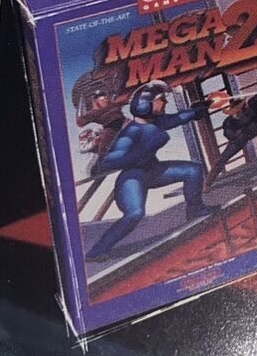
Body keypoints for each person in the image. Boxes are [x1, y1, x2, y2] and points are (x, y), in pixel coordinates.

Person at [85, 81, 212, 261]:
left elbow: (179, 118)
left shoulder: (156, 122)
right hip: (132, 178)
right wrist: (145, 149)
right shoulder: (131, 132)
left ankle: (195, 209)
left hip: (153, 171)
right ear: (146, 104)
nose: (165, 103)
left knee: (193, 170)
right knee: (135, 214)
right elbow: (109, 161)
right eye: (161, 100)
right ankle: (97, 251)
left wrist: (198, 110)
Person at [205, 92, 257, 184]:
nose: (237, 114)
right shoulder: (229, 122)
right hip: (242, 138)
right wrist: (235, 135)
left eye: (239, 111)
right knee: (222, 159)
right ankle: (208, 182)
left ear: (244, 108)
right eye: (234, 112)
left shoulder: (251, 107)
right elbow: (227, 132)